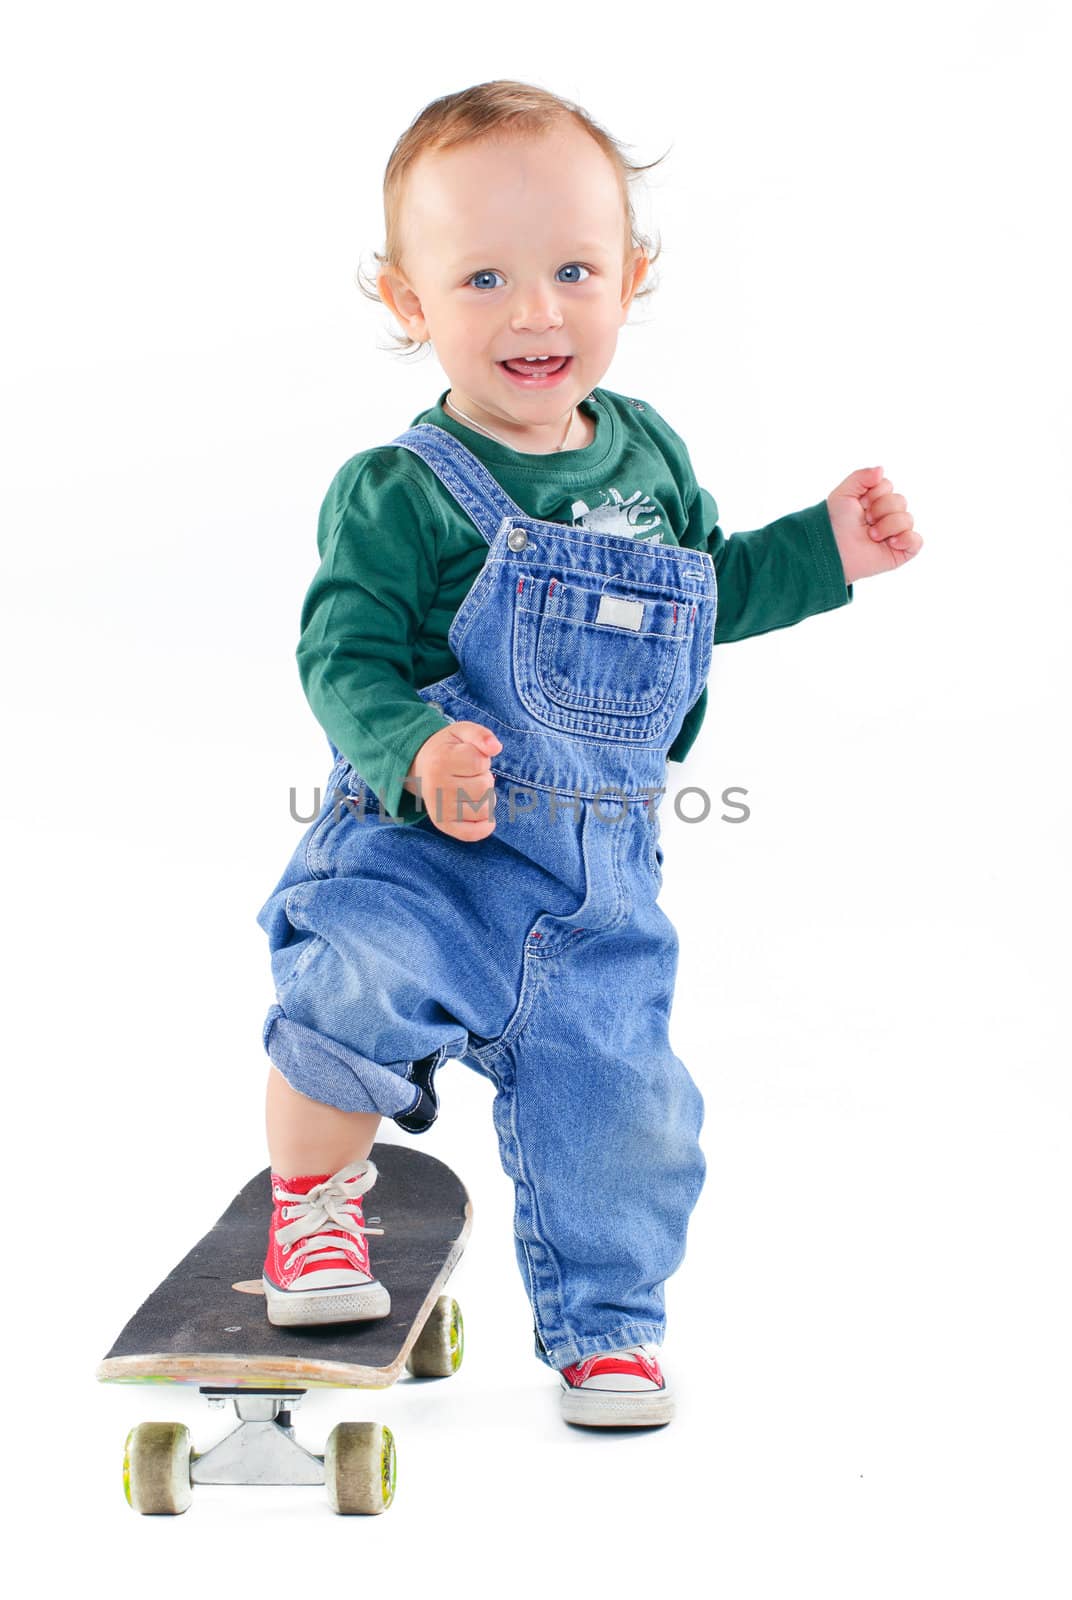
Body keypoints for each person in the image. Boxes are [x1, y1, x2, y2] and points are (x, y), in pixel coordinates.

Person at [254, 80, 922, 1429]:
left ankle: (609, 1326)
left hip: (600, 875)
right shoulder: (402, 493)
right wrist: (415, 744)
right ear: (407, 301)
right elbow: (343, 657)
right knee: (348, 996)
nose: (535, 311)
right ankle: (313, 1207)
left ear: (634, 276)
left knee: (626, 1116)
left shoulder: (649, 456)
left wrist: (826, 551)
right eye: (483, 276)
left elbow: (707, 592)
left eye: (573, 268)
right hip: (427, 853)